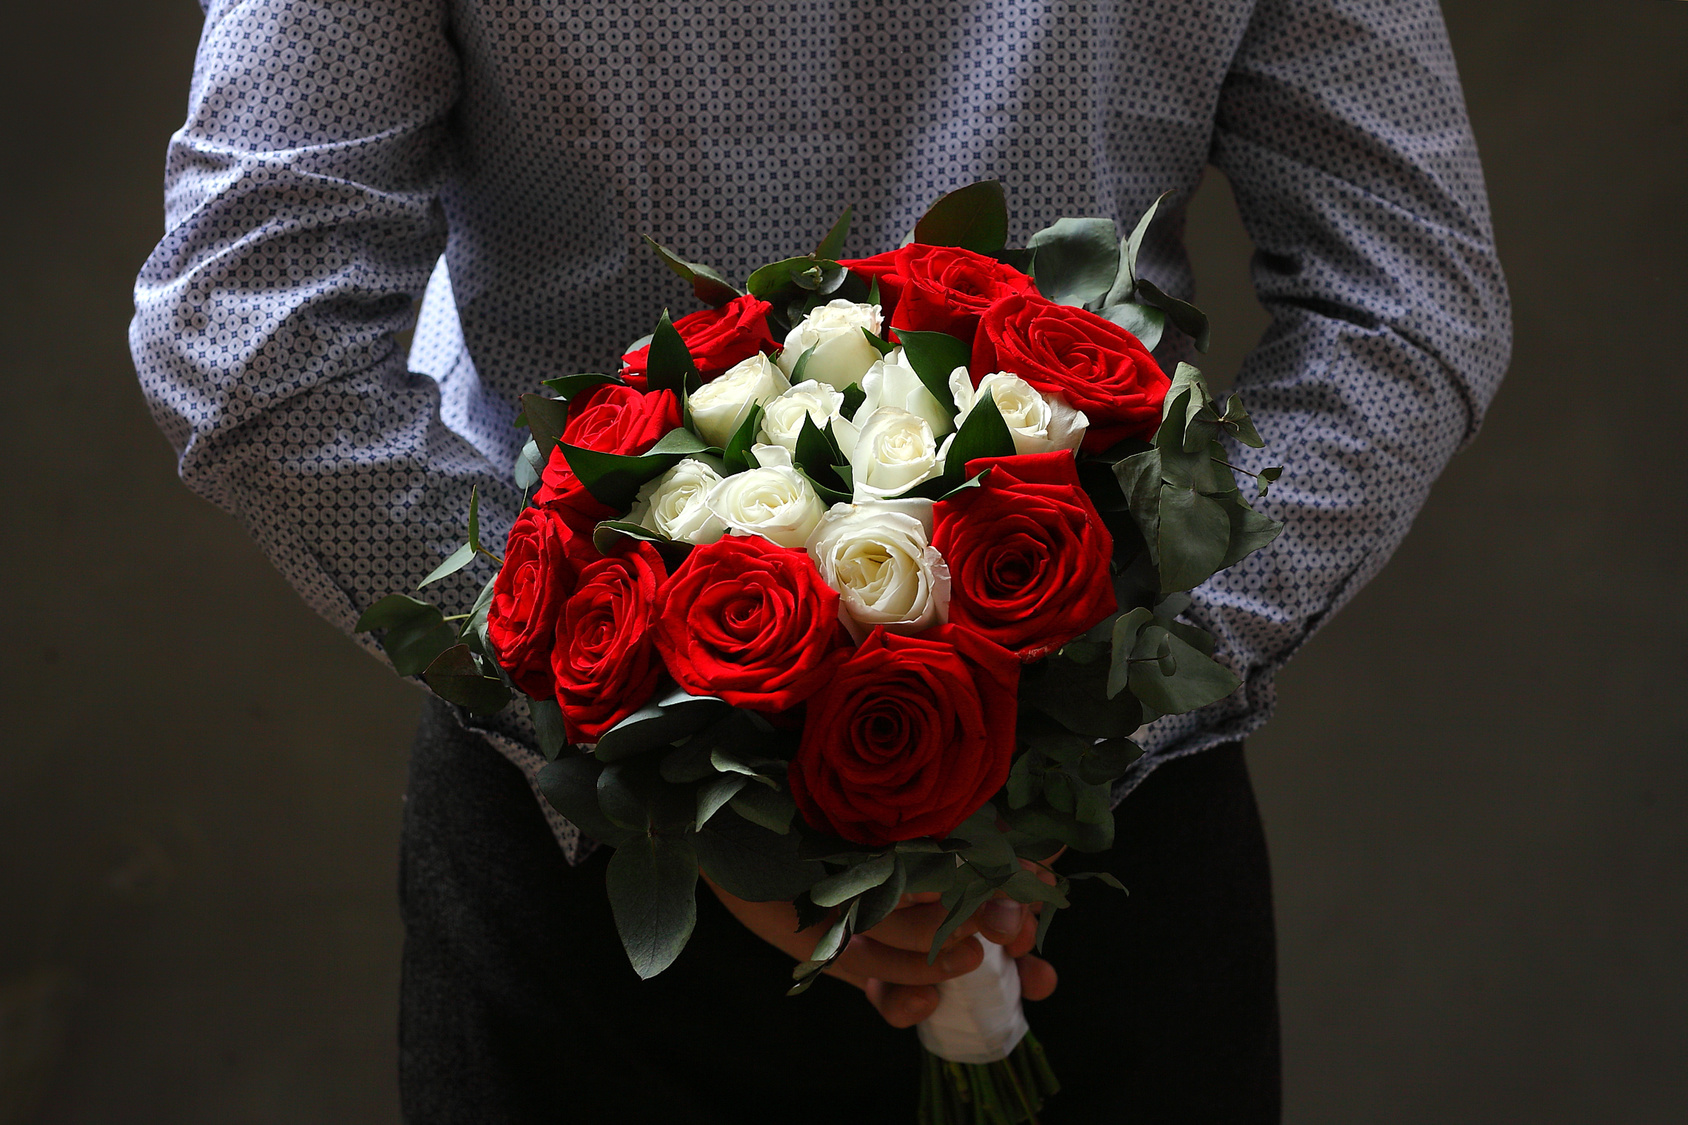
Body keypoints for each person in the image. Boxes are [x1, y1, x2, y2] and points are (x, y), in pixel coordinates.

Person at [131, 0, 1509, 1120]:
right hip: (1052, 871)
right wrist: (1083, 705)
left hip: (621, 873)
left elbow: (249, 331)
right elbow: (1409, 301)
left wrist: (633, 724)